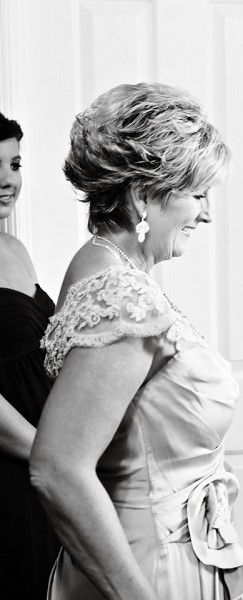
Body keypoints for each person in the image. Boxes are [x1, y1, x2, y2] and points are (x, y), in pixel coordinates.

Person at [29, 83, 243, 600]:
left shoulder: (104, 266)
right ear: (143, 196)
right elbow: (58, 468)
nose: (207, 213)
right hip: (149, 569)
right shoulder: (121, 294)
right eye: (197, 194)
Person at [0, 112, 61, 598]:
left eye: (15, 163)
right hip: (11, 471)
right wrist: (53, 456)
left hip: (47, 468)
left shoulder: (15, 248)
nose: (6, 180)